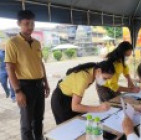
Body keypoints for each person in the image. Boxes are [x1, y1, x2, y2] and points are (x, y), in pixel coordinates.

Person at [5, 10, 50, 140]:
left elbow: (40, 64)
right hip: (25, 87)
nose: (30, 27)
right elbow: (10, 68)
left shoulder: (36, 43)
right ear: (19, 24)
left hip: (39, 85)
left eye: (32, 24)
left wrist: (46, 83)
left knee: (39, 119)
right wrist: (18, 91)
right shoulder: (12, 43)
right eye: (26, 24)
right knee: (26, 124)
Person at [51, 61, 115, 125]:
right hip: (60, 101)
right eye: (105, 78)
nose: (106, 81)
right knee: (67, 127)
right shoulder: (83, 78)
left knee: (77, 122)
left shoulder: (92, 71)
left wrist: (98, 108)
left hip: (68, 98)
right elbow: (75, 107)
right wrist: (98, 108)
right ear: (98, 71)